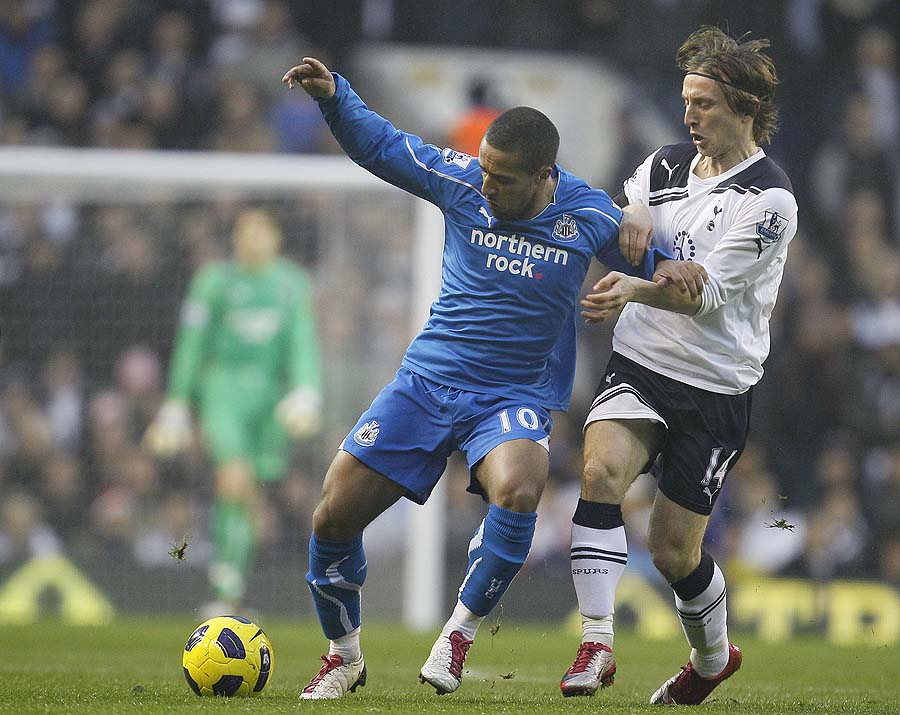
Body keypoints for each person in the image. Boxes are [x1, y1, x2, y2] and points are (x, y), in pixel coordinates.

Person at [280, 56, 706, 700]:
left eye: (502, 179)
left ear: (544, 176)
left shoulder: (588, 214)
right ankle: (343, 655)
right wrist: (335, 97)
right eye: (483, 169)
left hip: (512, 396)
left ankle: (458, 631)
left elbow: (660, 264)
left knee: (520, 486)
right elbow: (387, 147)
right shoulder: (461, 180)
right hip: (426, 381)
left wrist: (667, 267)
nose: (486, 186)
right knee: (332, 517)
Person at [558, 26, 798, 705]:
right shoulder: (664, 166)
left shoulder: (769, 200)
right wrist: (631, 214)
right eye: (687, 101)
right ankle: (597, 639)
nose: (689, 116)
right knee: (601, 470)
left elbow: (705, 294)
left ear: (745, 108)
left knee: (673, 551)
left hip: (716, 385)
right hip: (641, 359)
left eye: (705, 105)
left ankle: (714, 656)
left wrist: (635, 284)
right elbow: (634, 202)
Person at [144, 208, 322, 613]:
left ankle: (231, 589)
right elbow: (191, 346)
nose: (255, 239)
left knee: (249, 500)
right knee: (234, 481)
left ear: (277, 237)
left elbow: (302, 340)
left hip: (270, 399)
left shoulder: (292, 284)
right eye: (247, 231)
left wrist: (307, 391)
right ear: (235, 238)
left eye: (263, 230)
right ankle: (224, 591)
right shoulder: (213, 282)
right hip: (222, 390)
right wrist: (176, 403)